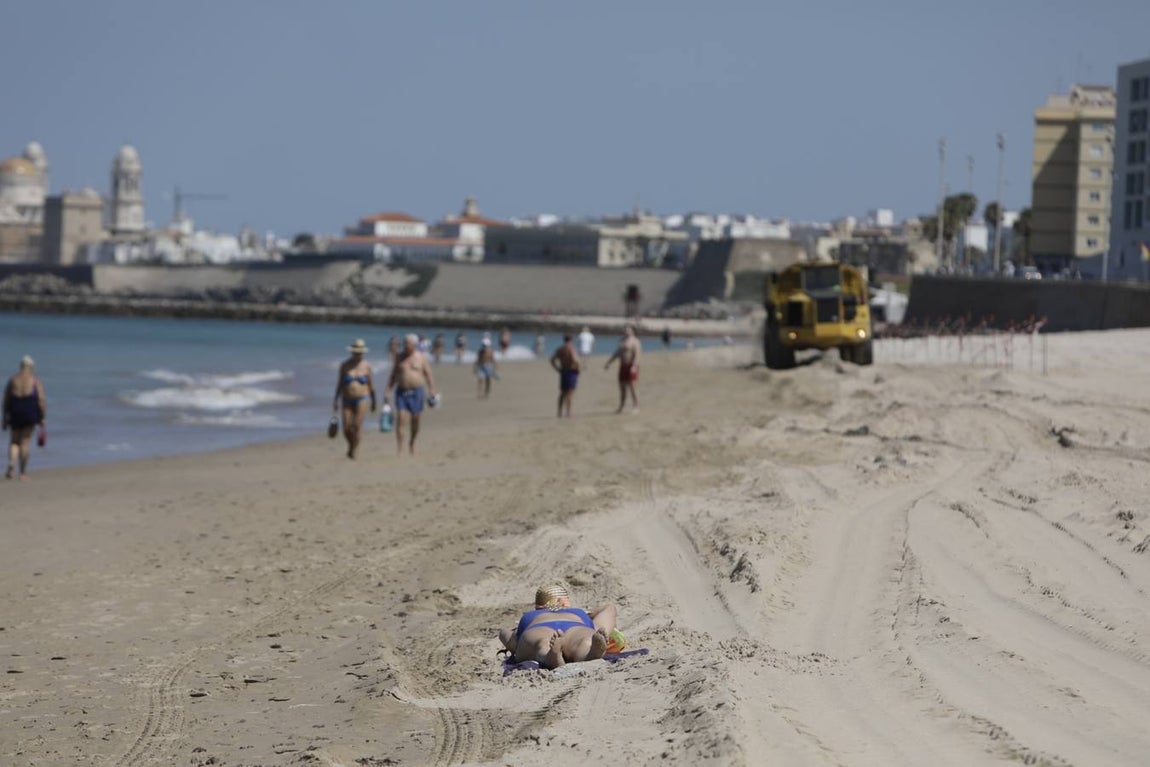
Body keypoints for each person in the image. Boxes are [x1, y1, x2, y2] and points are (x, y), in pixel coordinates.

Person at [498, 584, 618, 670]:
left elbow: (506, 635)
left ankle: (549, 656)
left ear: (537, 605)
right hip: (576, 625)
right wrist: (589, 615)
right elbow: (609, 608)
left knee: (542, 644)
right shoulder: (577, 613)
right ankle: (589, 653)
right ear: (565, 602)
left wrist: (512, 638)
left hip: (539, 627)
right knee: (585, 641)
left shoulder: (531, 615)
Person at [384, 333, 437, 455]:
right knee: (401, 418)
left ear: (414, 345)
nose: (405, 346)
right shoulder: (399, 358)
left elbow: (428, 374)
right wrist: (388, 391)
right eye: (404, 343)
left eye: (408, 344)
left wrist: (432, 390)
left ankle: (412, 442)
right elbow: (393, 376)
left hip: (416, 392)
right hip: (401, 392)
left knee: (415, 419)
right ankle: (400, 447)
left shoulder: (421, 358)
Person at [3, 355, 47, 480]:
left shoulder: (13, 380)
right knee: (25, 442)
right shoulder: (35, 381)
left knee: (14, 441)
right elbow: (41, 400)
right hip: (29, 412)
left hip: (15, 412)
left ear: (21, 366)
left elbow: (6, 400)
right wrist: (42, 417)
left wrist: (5, 417)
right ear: (31, 367)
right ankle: (22, 473)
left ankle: (11, 463)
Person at [332, 339, 376, 460]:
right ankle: (351, 445)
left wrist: (374, 401)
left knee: (357, 425)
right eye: (356, 352)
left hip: (362, 398)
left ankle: (355, 449)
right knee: (346, 427)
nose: (357, 354)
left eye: (360, 352)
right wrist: (335, 400)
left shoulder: (367, 366)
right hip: (346, 399)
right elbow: (340, 383)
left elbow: (371, 385)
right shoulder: (345, 365)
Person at [604, 325, 641, 414]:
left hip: (631, 366)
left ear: (632, 331)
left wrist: (634, 366)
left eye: (628, 330)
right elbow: (617, 353)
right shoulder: (622, 340)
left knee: (632, 387)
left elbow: (637, 354)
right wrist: (609, 362)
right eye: (625, 330)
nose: (626, 331)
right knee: (622, 388)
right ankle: (621, 406)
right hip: (622, 366)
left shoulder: (635, 341)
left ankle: (636, 406)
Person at [549, 334, 580, 418]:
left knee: (562, 393)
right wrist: (578, 368)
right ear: (571, 340)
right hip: (571, 371)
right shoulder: (571, 348)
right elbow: (574, 360)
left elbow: (552, 360)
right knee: (570, 393)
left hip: (563, 370)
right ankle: (568, 413)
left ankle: (559, 412)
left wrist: (557, 369)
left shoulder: (560, 349)